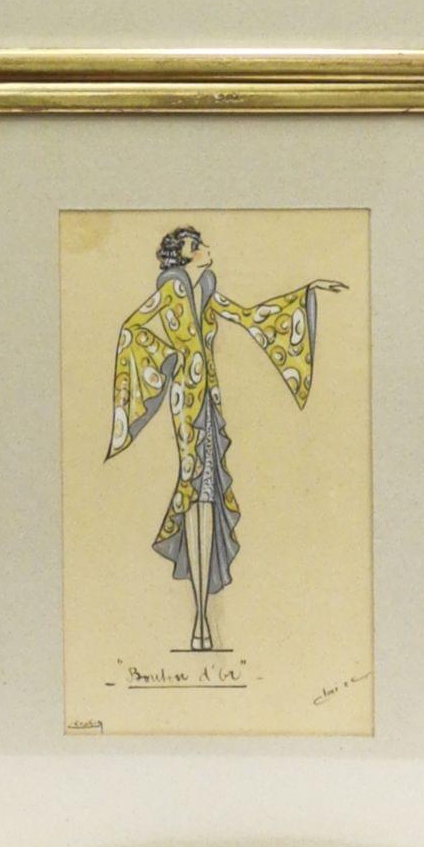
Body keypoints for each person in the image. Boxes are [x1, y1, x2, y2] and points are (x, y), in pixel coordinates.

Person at [105, 227, 345, 649]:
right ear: (184, 256)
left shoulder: (207, 291)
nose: (206, 249)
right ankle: (200, 618)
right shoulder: (170, 290)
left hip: (211, 407)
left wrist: (308, 291)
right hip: (187, 406)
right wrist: (170, 360)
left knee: (208, 495)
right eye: (197, 246)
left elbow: (252, 317)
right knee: (194, 490)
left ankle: (202, 619)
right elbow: (132, 328)